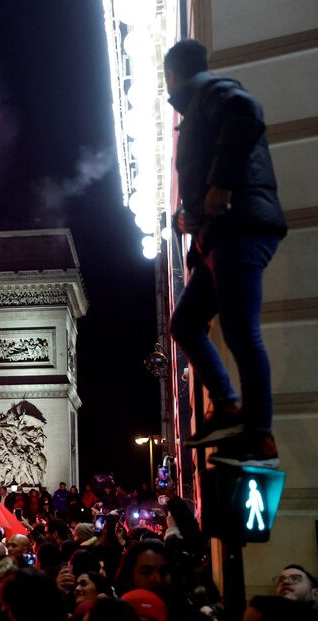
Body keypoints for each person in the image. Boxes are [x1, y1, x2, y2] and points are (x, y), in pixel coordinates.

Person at [164, 39, 287, 468]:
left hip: (241, 228)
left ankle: (260, 436)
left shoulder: (212, 91)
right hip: (218, 238)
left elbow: (245, 114)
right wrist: (186, 216)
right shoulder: (197, 107)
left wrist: (221, 185)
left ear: (172, 74)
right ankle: (229, 407)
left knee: (241, 332)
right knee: (185, 323)